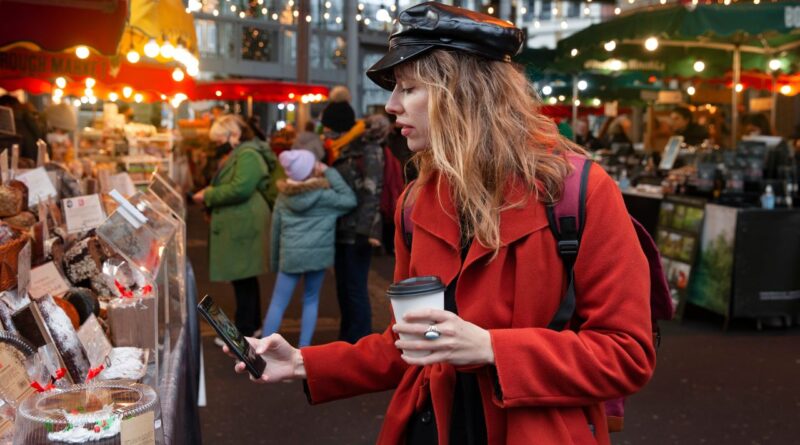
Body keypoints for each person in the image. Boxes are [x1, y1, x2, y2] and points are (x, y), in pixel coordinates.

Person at [224, 3, 655, 444]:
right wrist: (301, 362)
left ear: (464, 93)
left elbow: (627, 353)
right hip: (430, 424)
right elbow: (408, 342)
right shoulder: (416, 202)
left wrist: (491, 348)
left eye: (408, 89)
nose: (391, 105)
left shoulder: (579, 192)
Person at [193, 115, 277, 341]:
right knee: (245, 278)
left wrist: (209, 195)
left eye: (220, 139)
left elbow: (241, 188)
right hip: (244, 222)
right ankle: (251, 327)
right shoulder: (244, 152)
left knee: (243, 278)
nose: (218, 144)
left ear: (234, 135)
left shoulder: (248, 154)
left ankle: (244, 332)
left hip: (246, 224)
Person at [261, 149, 356, 347]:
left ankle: (263, 349)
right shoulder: (326, 196)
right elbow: (350, 199)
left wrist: (275, 261)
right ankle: (303, 350)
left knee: (278, 303)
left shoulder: (283, 198)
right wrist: (329, 171)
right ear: (313, 170)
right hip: (317, 257)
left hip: (291, 256)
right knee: (311, 300)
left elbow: (275, 231)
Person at [331, 113, 386, 343]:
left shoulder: (372, 151)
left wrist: (365, 231)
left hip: (357, 231)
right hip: (342, 227)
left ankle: (359, 340)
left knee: (355, 288)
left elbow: (373, 192)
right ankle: (348, 337)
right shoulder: (349, 149)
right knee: (344, 288)